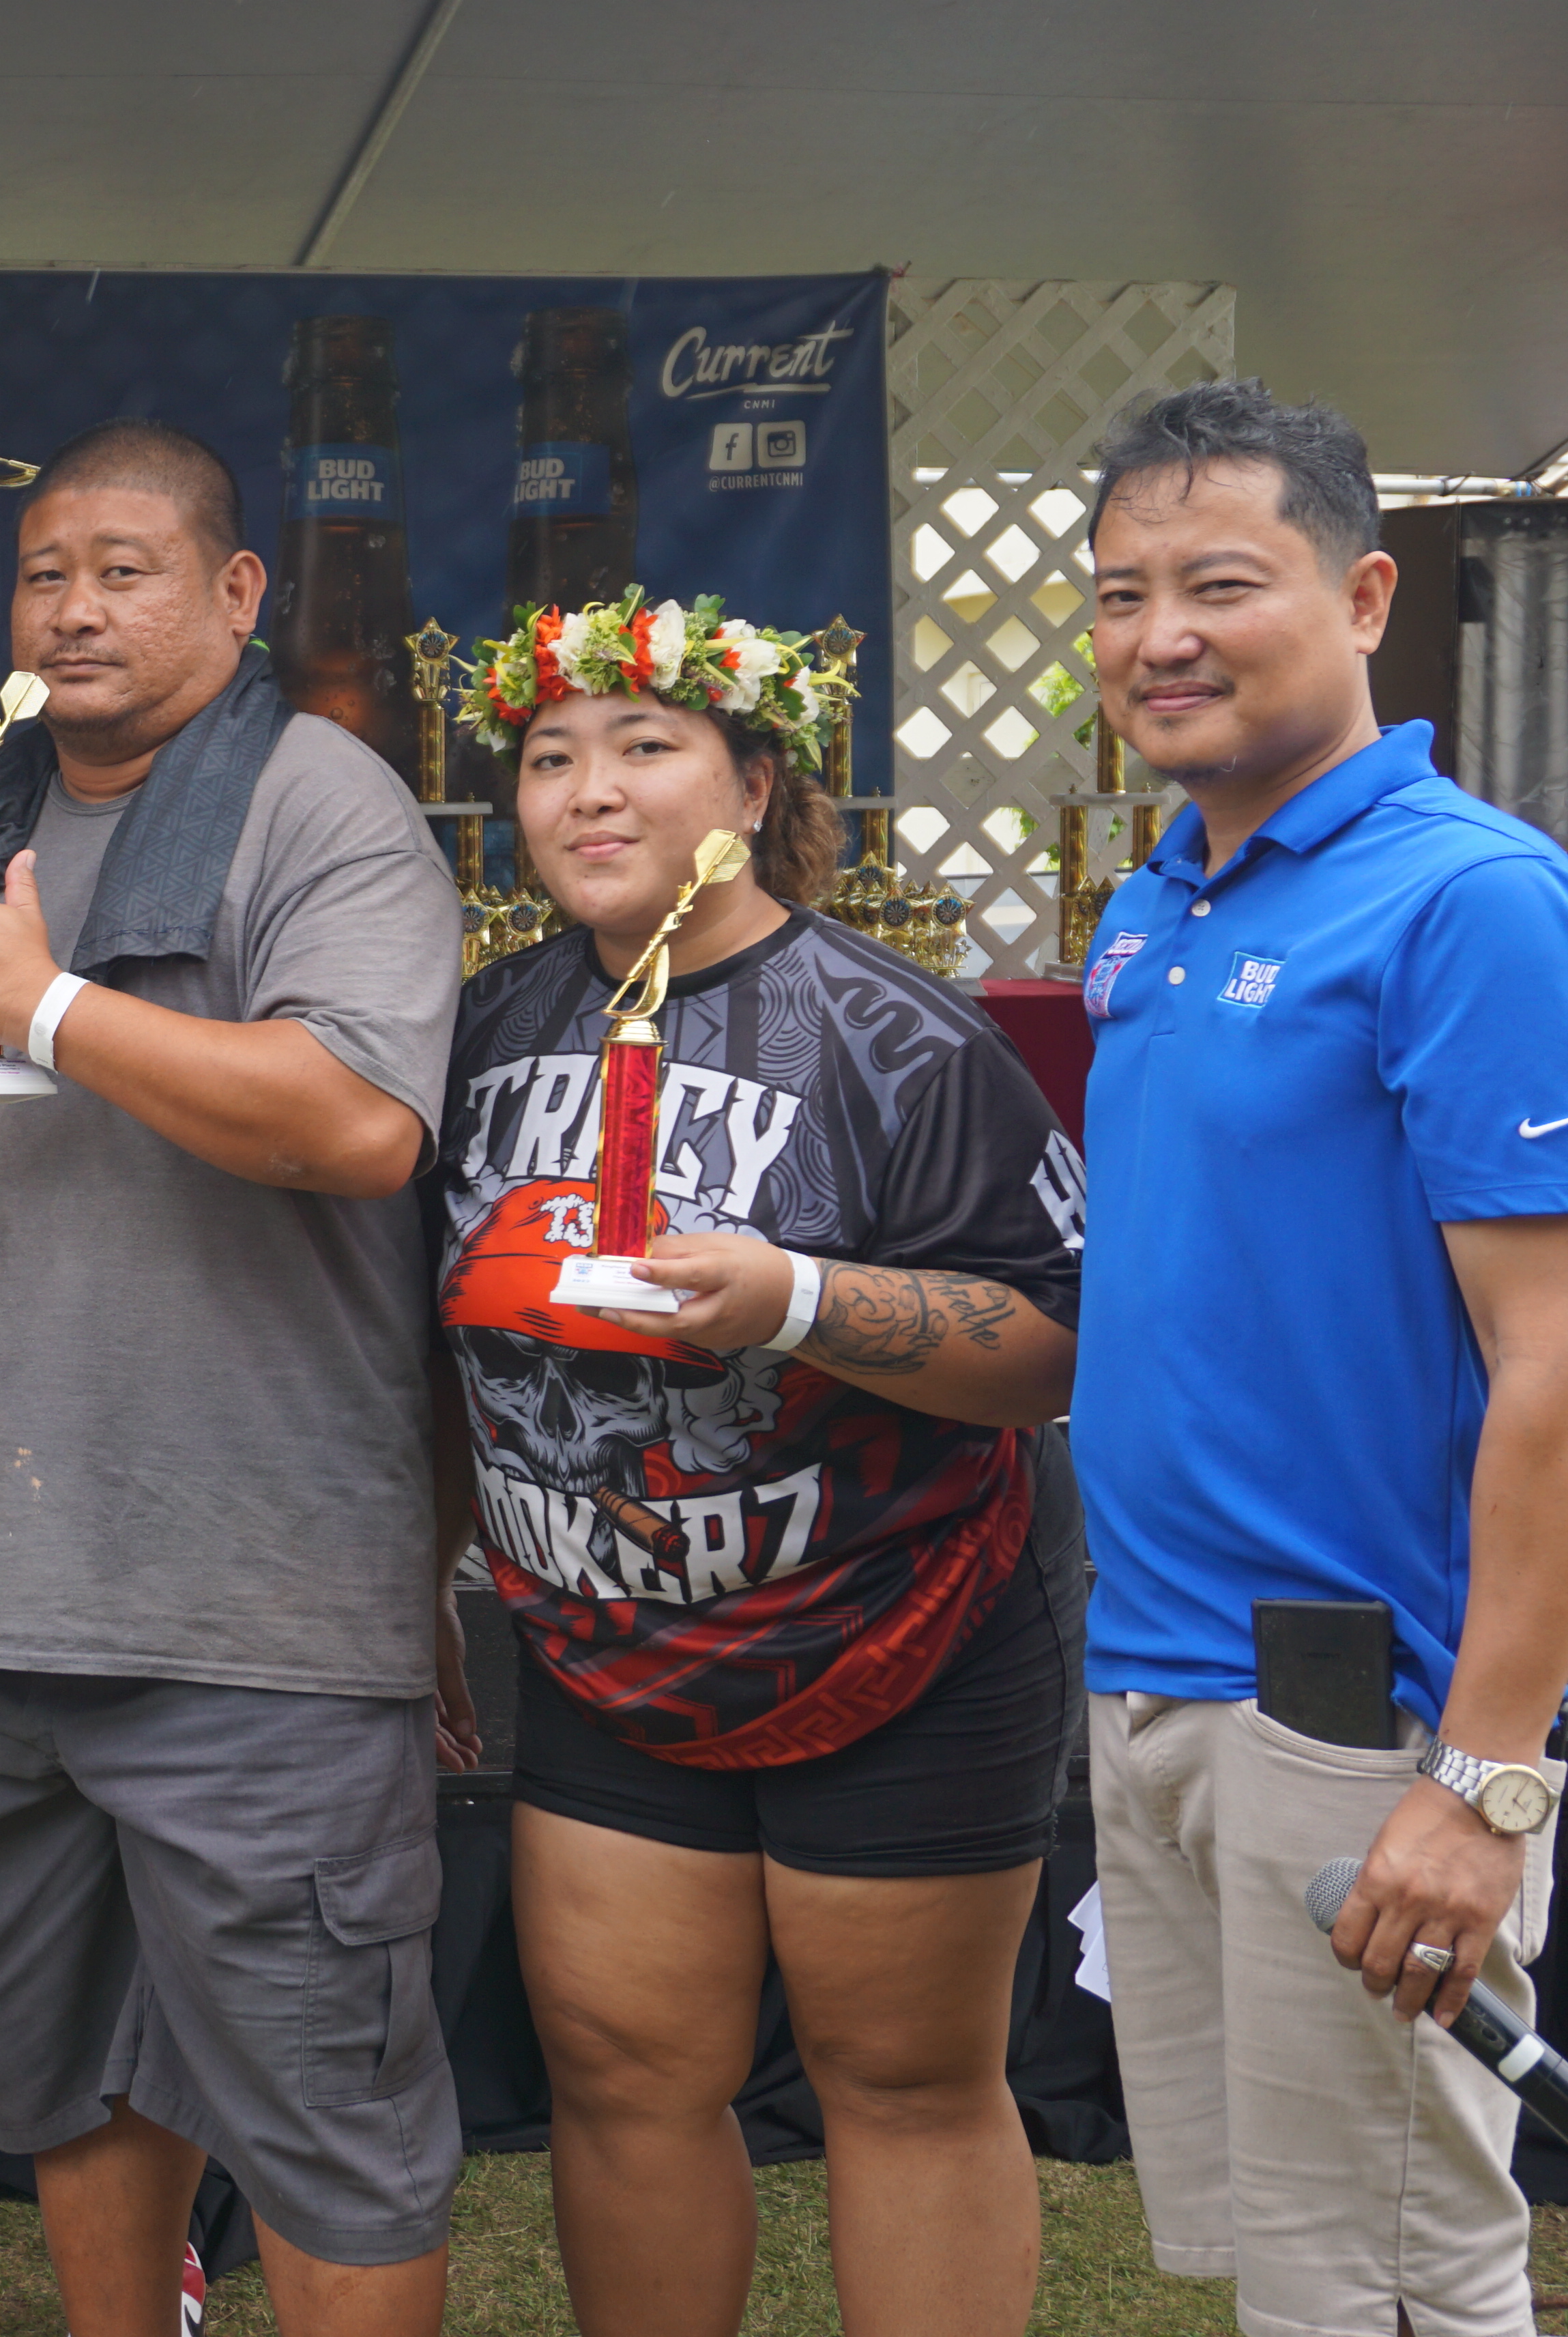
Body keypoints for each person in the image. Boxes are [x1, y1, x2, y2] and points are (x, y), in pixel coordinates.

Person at [0, 419, 467, 2337]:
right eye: (51, 571)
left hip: (251, 1609)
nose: (80, 604)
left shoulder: (323, 802)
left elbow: (362, 1119)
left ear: (235, 595)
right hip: (1, 1592)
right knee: (68, 2086)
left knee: (319, 2125)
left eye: (129, 568)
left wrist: (42, 1007)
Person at [422, 591, 1086, 2337]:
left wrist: (798, 1297)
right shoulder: (480, 1028)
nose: (588, 791)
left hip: (899, 1625)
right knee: (626, 2068)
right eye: (550, 757)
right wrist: (427, 1567)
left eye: (644, 745)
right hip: (605, 1644)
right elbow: (428, 1341)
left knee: (900, 2078)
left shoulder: (901, 1038)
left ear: (751, 778)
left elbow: (1049, 1348)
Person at [1073, 379, 1568, 2337]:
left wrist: (1480, 1784)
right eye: (1118, 592)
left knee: (1400, 2281)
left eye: (1220, 583)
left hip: (1365, 1720)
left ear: (1365, 593)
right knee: (1295, 2269)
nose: (1160, 635)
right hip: (1164, 1686)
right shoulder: (1159, 901)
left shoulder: (1476, 906)